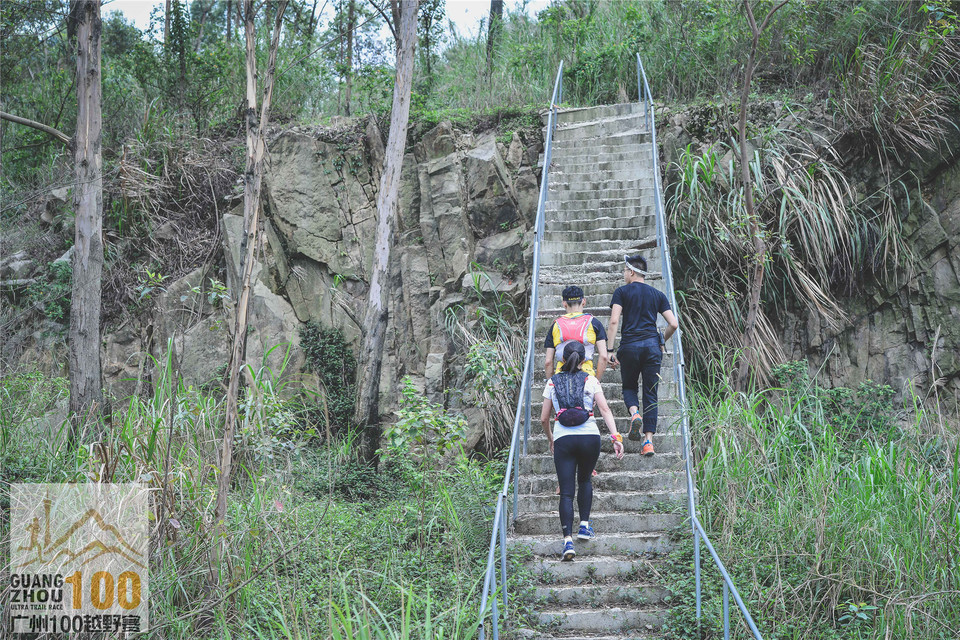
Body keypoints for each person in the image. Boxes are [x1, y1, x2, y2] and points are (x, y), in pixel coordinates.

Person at [540, 341, 624, 561]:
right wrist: (616, 437)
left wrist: (551, 439)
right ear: (585, 360)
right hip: (589, 436)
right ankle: (584, 526)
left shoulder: (552, 382)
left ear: (562, 360)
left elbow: (543, 418)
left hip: (563, 438)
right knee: (585, 480)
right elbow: (605, 409)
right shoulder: (591, 379)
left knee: (566, 491)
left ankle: (567, 541)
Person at [607, 254, 679, 456]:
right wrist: (661, 340)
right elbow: (673, 324)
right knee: (650, 393)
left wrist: (610, 350)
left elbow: (613, 322)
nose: (623, 274)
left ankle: (634, 413)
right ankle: (648, 442)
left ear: (631, 271)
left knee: (629, 386)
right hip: (652, 348)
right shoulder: (658, 295)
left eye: (624, 271)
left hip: (629, 347)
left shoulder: (621, 292)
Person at [543, 285, 610, 380]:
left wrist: (552, 384)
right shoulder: (594, 323)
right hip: (587, 377)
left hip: (561, 377)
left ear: (564, 303)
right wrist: (596, 382)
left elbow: (548, 362)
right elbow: (603, 356)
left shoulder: (556, 325)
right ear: (584, 301)